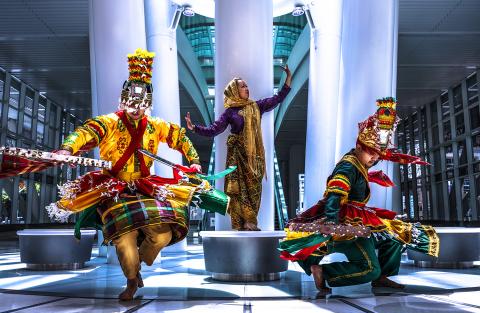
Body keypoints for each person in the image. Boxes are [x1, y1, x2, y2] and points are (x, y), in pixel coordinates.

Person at [48, 48, 229, 300]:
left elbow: (180, 138)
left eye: (141, 105)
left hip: (146, 185)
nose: (135, 109)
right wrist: (67, 148)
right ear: (123, 101)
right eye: (131, 104)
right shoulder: (109, 122)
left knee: (162, 234)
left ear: (148, 104)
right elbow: (86, 132)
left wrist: (194, 160)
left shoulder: (156, 126)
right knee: (125, 240)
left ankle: (139, 264)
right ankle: (132, 279)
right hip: (115, 186)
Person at [279, 97, 439, 293]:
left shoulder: (360, 161)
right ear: (359, 146)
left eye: (378, 155)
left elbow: (376, 156)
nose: (375, 158)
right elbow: (334, 194)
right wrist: (331, 222)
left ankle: (381, 277)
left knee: (396, 236)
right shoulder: (348, 166)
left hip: (361, 216)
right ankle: (324, 272)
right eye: (371, 153)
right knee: (369, 268)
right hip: (348, 219)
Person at [185, 66, 292, 231]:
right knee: (238, 191)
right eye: (242, 86)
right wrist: (194, 128)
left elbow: (278, 98)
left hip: (254, 156)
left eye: (246, 86)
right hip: (236, 156)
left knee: (254, 189)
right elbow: (214, 129)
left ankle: (251, 220)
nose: (246, 88)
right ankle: (243, 223)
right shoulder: (230, 112)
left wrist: (288, 79)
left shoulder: (257, 106)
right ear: (234, 90)